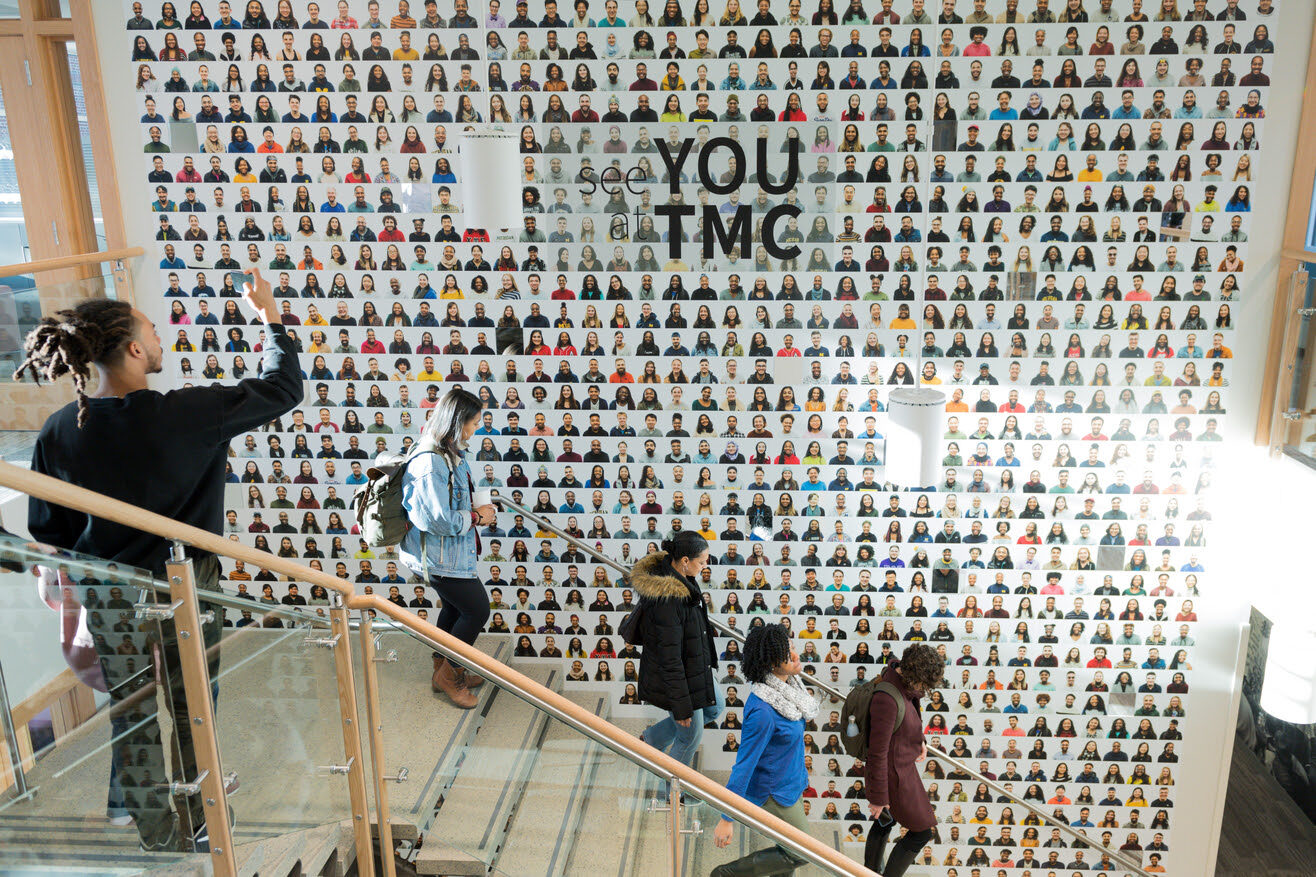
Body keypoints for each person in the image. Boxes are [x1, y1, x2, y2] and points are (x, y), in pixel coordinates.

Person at [20, 267, 301, 851]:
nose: (159, 333)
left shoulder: (56, 434)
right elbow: (283, 388)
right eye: (151, 327)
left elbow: (50, 529)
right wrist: (268, 315)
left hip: (109, 592)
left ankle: (158, 839)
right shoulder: (191, 413)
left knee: (135, 711)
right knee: (195, 703)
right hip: (186, 586)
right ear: (133, 347)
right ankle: (200, 825)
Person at [400, 386, 496, 709]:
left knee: (455, 609)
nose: (476, 428)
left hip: (450, 555)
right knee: (477, 609)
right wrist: (477, 517)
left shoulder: (450, 452)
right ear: (457, 421)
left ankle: (442, 667)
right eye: (473, 422)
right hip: (438, 557)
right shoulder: (431, 461)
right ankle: (449, 673)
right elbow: (437, 520)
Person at [712, 623, 817, 876]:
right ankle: (727, 874)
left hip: (791, 783)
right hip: (773, 792)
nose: (795, 655)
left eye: (791, 647)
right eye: (786, 653)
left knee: (786, 848)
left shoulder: (790, 687)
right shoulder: (763, 711)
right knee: (802, 851)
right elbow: (744, 764)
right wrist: (727, 818)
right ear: (770, 663)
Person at [634, 530, 719, 766]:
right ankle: (670, 797)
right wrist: (682, 707)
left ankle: (650, 739)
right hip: (678, 674)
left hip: (694, 665)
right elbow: (669, 658)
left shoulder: (683, 578)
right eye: (701, 562)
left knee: (716, 707)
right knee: (690, 738)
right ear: (684, 561)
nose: (705, 566)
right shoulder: (667, 600)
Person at [864, 643, 942, 876]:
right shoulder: (886, 698)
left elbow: (910, 710)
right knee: (922, 832)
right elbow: (877, 752)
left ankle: (869, 872)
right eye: (922, 684)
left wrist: (921, 740)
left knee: (885, 820)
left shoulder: (901, 677)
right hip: (893, 774)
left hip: (903, 766)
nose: (923, 690)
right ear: (912, 675)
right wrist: (878, 797)